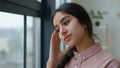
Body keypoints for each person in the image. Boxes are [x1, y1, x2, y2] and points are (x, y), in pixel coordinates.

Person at [46, 2, 120, 68]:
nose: (62, 31)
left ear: (84, 22)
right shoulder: (65, 62)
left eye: (66, 22)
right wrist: (52, 62)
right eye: (58, 30)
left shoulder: (110, 64)